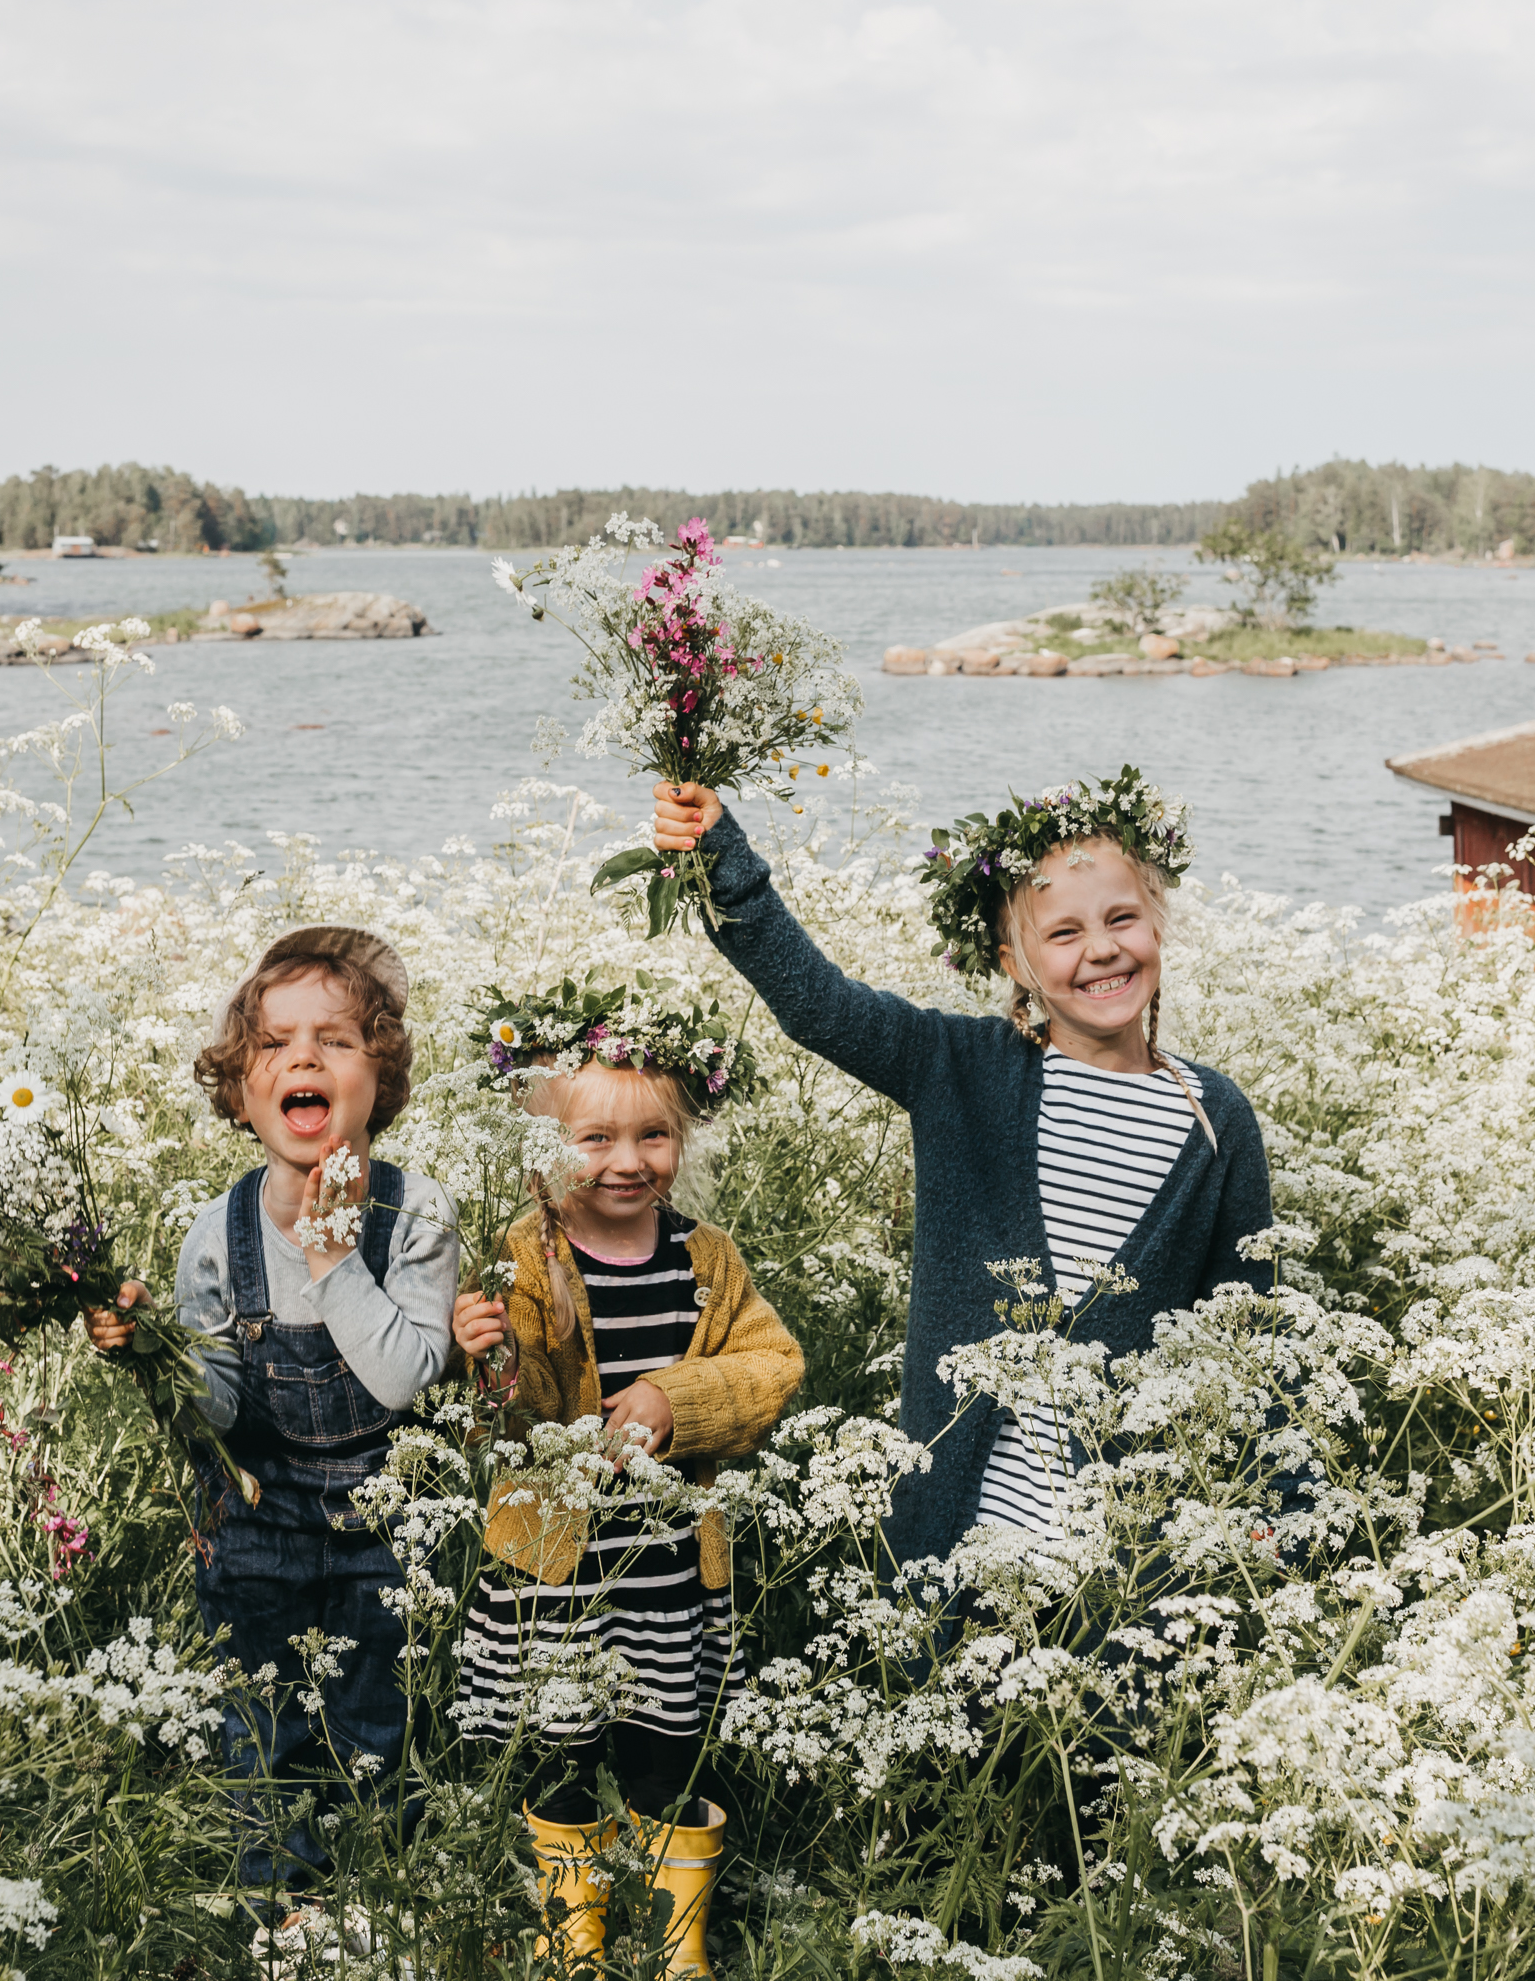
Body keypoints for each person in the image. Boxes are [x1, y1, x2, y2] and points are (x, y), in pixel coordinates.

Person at [648, 766, 1277, 1567]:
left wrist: (1268, 1503)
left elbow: (1248, 1328)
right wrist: (719, 856)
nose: (1103, 949)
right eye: (1064, 933)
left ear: (1158, 926)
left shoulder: (1213, 1117)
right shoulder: (960, 1067)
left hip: (1126, 1562)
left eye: (1124, 917)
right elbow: (816, 1003)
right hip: (952, 1543)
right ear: (1014, 962)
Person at [85, 926, 457, 1897]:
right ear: (243, 1094)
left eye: (334, 1039)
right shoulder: (219, 1233)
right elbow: (219, 1404)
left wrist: (336, 1259)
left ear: (381, 1076)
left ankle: (379, 1910)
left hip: (384, 1527)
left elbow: (405, 1378)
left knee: (379, 1735)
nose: (302, 1057)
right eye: (273, 1044)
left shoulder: (417, 1216)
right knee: (263, 1736)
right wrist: (152, 1358)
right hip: (257, 1525)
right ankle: (283, 1921)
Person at [445, 984, 801, 1976]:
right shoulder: (524, 1254)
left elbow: (772, 1364)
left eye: (654, 1135)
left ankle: (680, 1948)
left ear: (683, 1137)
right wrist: (486, 1360)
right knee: (561, 1763)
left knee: (667, 1762)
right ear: (549, 1147)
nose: (628, 1161)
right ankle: (577, 1945)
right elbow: (493, 1420)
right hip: (555, 1583)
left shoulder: (706, 1260)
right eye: (595, 1138)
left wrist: (672, 1399)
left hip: (668, 1584)